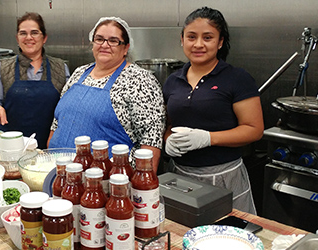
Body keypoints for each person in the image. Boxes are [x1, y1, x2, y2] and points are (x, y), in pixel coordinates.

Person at [163, 7, 264, 214]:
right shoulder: (173, 81)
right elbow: (168, 125)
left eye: (207, 37)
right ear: (182, 40)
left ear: (220, 42)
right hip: (179, 176)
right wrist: (167, 140)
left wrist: (208, 138)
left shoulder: (237, 78)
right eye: (191, 37)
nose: (198, 44)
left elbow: (254, 129)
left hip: (224, 177)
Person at [48, 17, 165, 172]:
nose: (104, 45)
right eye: (99, 39)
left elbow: (151, 140)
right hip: (57, 172)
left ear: (126, 48)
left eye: (113, 41)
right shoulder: (79, 73)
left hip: (105, 182)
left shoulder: (140, 81)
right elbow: (57, 123)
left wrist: (142, 189)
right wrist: (48, 159)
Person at [0, 12, 70, 148]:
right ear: (17, 38)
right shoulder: (2, 67)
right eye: (23, 33)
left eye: (34, 32)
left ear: (44, 38)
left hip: (50, 146)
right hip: (12, 146)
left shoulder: (60, 68)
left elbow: (67, 106)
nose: (29, 38)